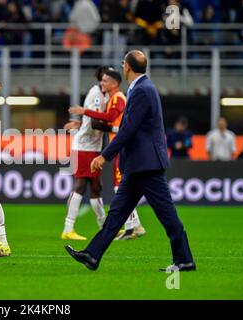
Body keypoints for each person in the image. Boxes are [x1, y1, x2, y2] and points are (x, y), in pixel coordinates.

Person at [65, 50, 195, 272]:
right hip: (138, 164)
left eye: (123, 62)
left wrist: (105, 155)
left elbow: (128, 129)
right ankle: (92, 255)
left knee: (167, 214)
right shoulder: (142, 88)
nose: (122, 66)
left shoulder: (142, 90)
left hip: (147, 165)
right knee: (116, 213)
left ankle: (184, 260)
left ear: (128, 67)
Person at [69, 68, 146, 241]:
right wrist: (83, 123)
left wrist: (85, 112)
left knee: (120, 186)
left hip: (122, 145)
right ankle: (132, 226)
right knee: (121, 186)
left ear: (114, 83)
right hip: (118, 145)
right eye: (101, 81)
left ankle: (134, 225)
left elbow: (111, 117)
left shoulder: (118, 98)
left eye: (105, 81)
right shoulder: (113, 97)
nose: (102, 83)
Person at [61, 66, 109, 241]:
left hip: (93, 147)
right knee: (81, 185)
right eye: (104, 78)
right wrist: (115, 127)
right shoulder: (97, 94)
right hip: (84, 147)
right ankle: (68, 228)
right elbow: (96, 122)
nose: (107, 81)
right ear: (100, 79)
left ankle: (104, 227)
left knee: (96, 187)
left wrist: (80, 124)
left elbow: (90, 120)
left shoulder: (105, 95)